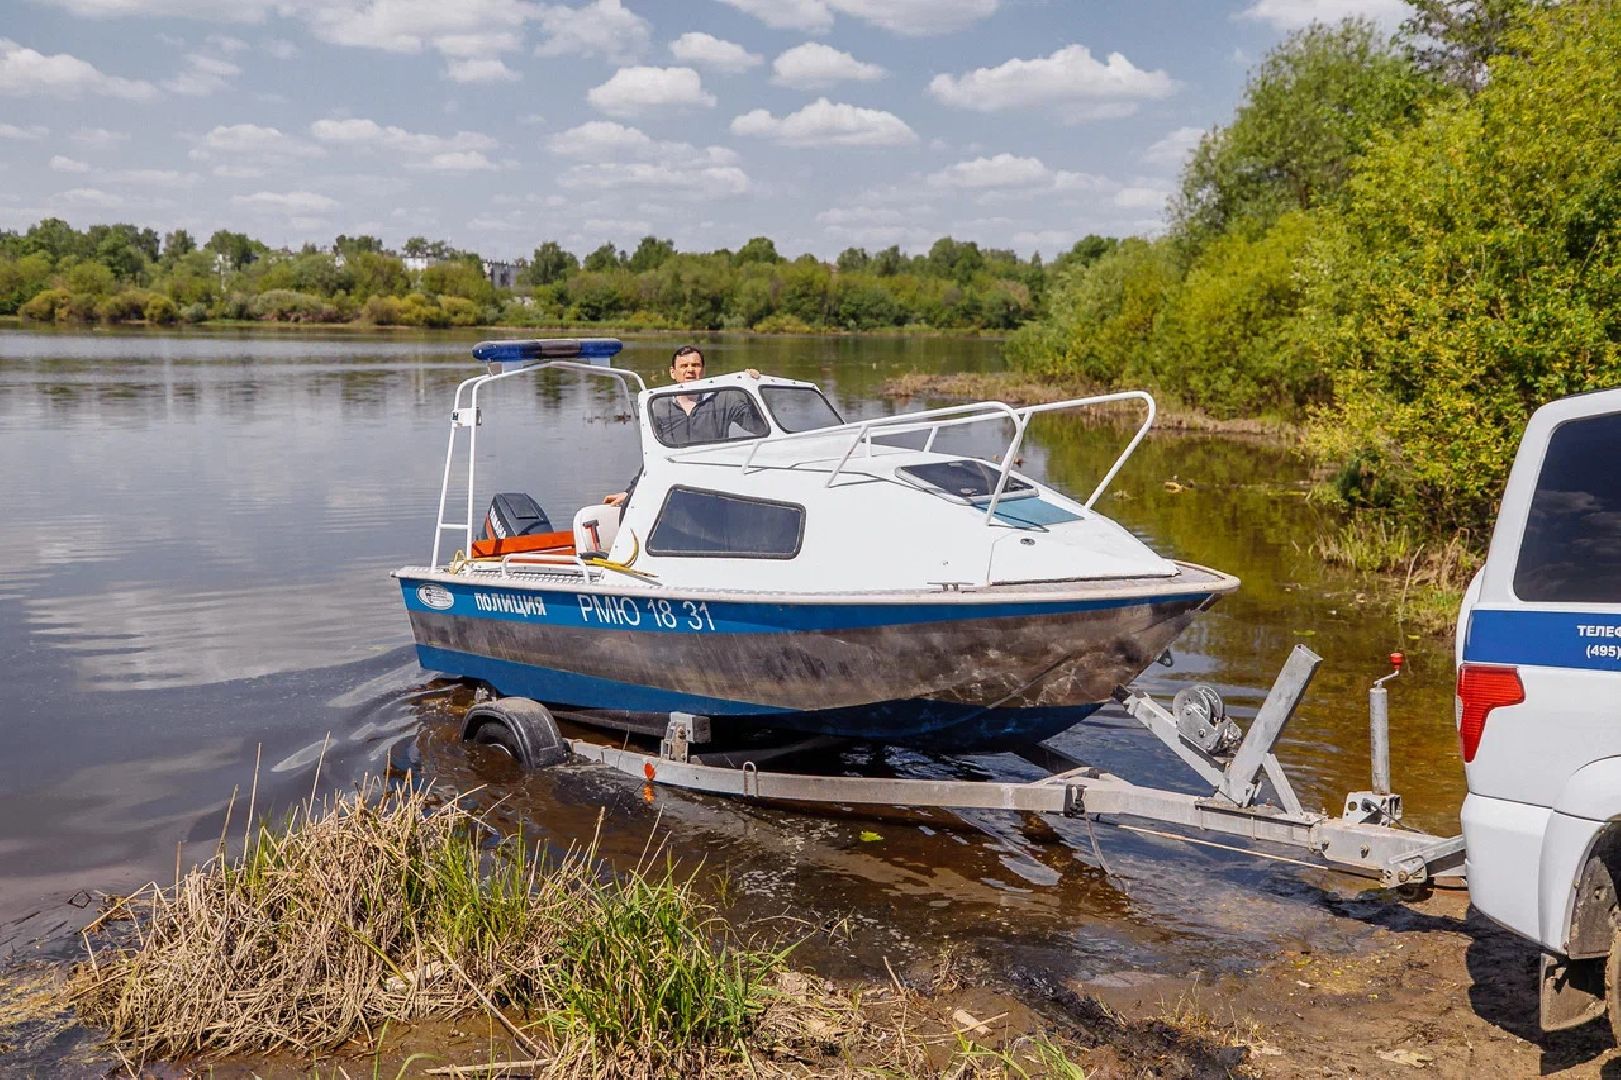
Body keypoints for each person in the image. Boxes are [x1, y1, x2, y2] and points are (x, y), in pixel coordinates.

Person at [604, 345, 764, 507]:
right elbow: (654, 456)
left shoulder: (724, 399)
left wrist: (753, 388)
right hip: (675, 487)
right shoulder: (658, 407)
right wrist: (631, 490)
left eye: (695, 365)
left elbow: (757, 427)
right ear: (673, 372)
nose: (690, 370)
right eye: (684, 366)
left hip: (714, 485)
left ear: (703, 370)